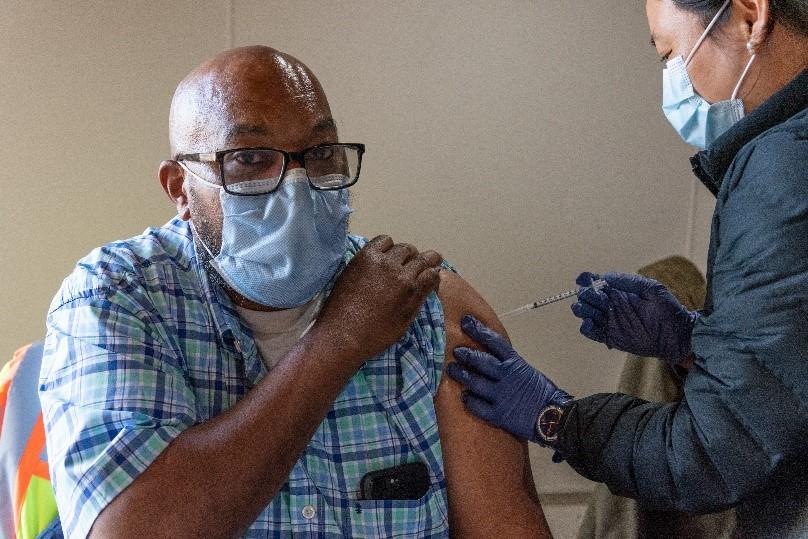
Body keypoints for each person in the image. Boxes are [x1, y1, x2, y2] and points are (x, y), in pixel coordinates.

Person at [39, 46, 551, 538]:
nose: (296, 183)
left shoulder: (425, 305)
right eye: (250, 158)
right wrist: (338, 341)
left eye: (321, 153)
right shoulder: (116, 299)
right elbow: (133, 529)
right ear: (180, 188)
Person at [447, 0, 808, 537]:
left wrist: (557, 418)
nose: (672, 85)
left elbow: (710, 458)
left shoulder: (781, 169)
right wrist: (693, 342)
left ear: (751, 17)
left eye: (669, 54)